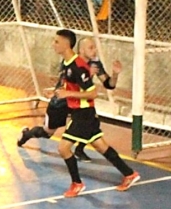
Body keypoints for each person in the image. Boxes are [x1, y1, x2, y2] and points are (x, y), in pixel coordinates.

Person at [53, 29, 140, 198]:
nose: (53, 45)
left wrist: (67, 94)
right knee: (100, 146)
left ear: (66, 44)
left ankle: (77, 184)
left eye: (56, 42)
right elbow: (70, 86)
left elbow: (93, 93)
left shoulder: (79, 67)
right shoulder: (67, 64)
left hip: (83, 114)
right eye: (91, 47)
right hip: (83, 113)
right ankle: (129, 174)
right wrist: (58, 92)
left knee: (63, 148)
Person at [17, 38, 121, 162]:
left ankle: (79, 150)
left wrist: (115, 74)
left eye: (95, 47)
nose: (95, 50)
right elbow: (65, 84)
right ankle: (26, 134)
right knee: (47, 133)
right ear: (81, 50)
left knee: (91, 123)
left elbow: (109, 84)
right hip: (62, 102)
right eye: (91, 48)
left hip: (78, 103)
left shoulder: (95, 63)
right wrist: (87, 74)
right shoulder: (71, 61)